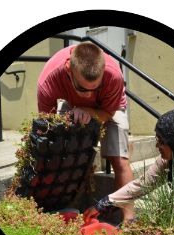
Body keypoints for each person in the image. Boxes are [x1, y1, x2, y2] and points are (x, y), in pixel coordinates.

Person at [37, 42, 134, 218]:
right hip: (72, 105)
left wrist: (87, 109)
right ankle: (62, 208)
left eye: (95, 88)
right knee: (59, 153)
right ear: (68, 70)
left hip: (110, 108)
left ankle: (129, 219)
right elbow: (48, 125)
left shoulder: (114, 76)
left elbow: (108, 113)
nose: (89, 95)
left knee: (119, 158)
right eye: (82, 88)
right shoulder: (49, 80)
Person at [83, 109, 174, 223]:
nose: (157, 146)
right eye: (157, 139)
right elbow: (141, 185)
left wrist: (139, 223)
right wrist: (101, 206)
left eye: (162, 142)